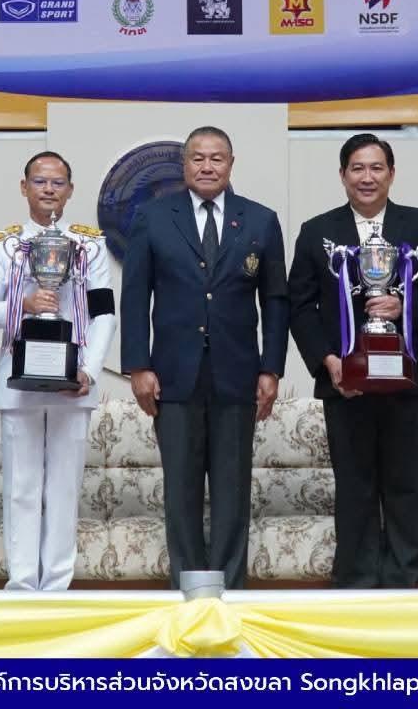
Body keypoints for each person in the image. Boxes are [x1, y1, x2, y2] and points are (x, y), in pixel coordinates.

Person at [288, 132, 418, 587]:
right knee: (355, 486)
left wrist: (405, 306)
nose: (367, 177)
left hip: (407, 382)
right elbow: (299, 305)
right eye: (358, 168)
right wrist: (328, 360)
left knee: (407, 484)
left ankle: (404, 581)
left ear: (391, 173)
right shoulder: (316, 231)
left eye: (376, 167)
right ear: (343, 175)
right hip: (345, 384)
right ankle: (356, 583)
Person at [121, 125, 287, 589]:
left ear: (231, 164)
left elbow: (276, 300)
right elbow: (135, 295)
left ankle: (229, 590)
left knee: (233, 490)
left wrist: (271, 367)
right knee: (181, 490)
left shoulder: (260, 220)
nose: (207, 166)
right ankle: (189, 589)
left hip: (238, 374)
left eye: (217, 158)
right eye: (198, 158)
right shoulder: (153, 217)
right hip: (173, 375)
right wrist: (138, 365)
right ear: (184, 164)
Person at [0, 152, 115, 591]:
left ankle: (56, 586)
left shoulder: (90, 246)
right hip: (20, 381)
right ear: (24, 187)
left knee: (65, 488)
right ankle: (22, 584)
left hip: (74, 383)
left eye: (57, 182)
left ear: (70, 190)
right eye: (39, 181)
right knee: (22, 487)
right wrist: (24, 304)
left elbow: (105, 313)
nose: (48, 189)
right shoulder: (6, 247)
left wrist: (90, 370)